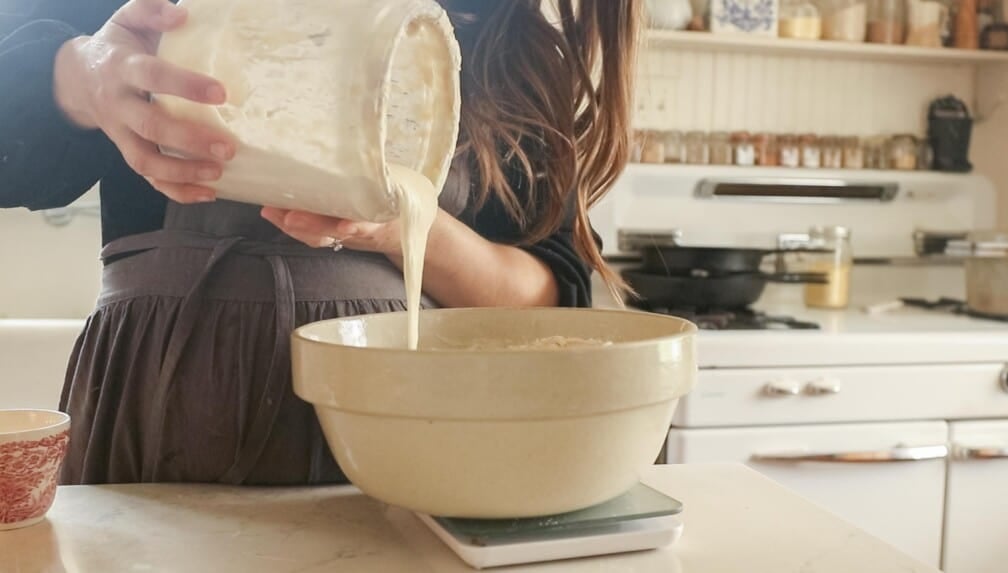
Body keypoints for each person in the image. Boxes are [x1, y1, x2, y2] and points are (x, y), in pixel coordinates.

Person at [0, 0, 639, 485]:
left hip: (400, 441)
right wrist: (79, 78)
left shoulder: (505, 36)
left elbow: (550, 294)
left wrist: (402, 228)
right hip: (157, 418)